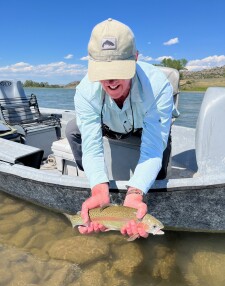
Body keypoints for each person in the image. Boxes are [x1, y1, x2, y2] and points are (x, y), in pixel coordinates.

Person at [66, 18, 173, 239]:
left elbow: (153, 148)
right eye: (102, 71)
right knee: (72, 130)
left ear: (135, 58)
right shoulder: (85, 91)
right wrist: (98, 188)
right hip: (109, 126)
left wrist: (134, 193)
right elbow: (93, 147)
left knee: (161, 152)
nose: (110, 81)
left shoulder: (159, 86)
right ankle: (96, 189)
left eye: (117, 70)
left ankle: (147, 200)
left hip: (145, 128)